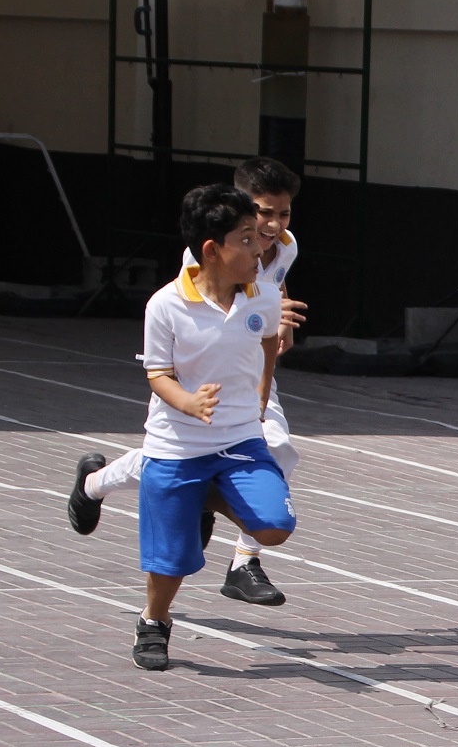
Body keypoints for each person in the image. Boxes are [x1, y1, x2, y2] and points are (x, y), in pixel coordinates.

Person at [68, 157, 304, 607]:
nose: (273, 225)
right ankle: (95, 484)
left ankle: (244, 562)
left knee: (277, 448)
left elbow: (272, 289)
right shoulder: (202, 262)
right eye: (263, 213)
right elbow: (189, 319)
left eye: (284, 213)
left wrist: (279, 322)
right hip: (199, 380)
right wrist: (186, 395)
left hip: (249, 371)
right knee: (170, 460)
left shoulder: (285, 248)